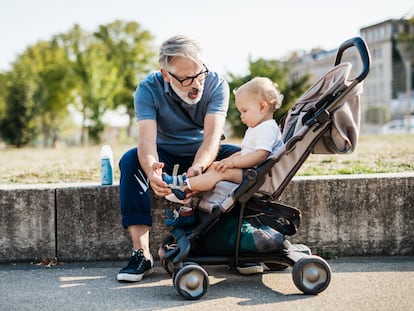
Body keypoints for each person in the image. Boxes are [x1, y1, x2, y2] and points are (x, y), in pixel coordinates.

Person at [116, 35, 242, 282]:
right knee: (130, 161)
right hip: (165, 153)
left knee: (244, 158)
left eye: (199, 74)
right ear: (165, 75)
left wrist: (199, 167)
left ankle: (239, 247)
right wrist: (152, 170)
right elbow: (146, 142)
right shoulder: (147, 89)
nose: (195, 85)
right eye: (185, 79)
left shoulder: (217, 84)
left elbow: (212, 138)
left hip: (202, 154)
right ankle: (141, 253)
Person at [163, 76, 284, 199]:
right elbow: (245, 153)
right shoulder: (257, 128)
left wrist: (231, 162)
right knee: (215, 167)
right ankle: (187, 192)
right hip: (252, 173)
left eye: (244, 111)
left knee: (220, 172)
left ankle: (182, 185)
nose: (241, 116)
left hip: (261, 176)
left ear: (262, 107)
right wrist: (224, 162)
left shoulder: (267, 128)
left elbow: (260, 155)